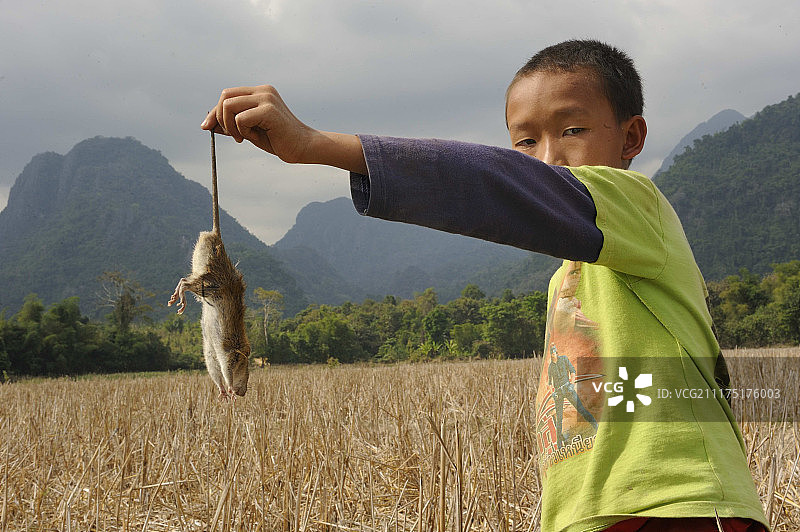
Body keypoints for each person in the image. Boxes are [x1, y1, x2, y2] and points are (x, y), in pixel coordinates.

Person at [201, 39, 768, 532]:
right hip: (597, 516)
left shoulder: (640, 209)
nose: (547, 159)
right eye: (525, 143)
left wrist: (317, 146)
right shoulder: (568, 276)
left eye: (572, 130)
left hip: (678, 506)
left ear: (632, 137)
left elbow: (499, 186)